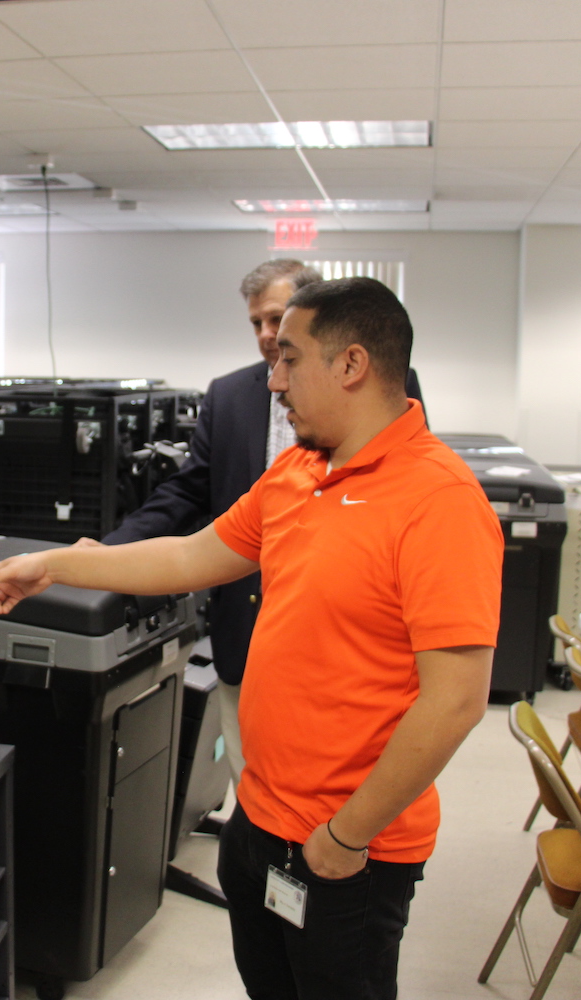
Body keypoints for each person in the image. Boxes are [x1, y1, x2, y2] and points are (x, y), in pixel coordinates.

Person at [0, 277, 501, 1000]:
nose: (274, 382)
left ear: (351, 365)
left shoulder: (439, 501)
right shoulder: (299, 472)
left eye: (290, 360)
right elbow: (189, 554)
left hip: (347, 849)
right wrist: (53, 565)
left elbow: (456, 701)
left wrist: (343, 837)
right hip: (259, 822)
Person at [101, 259, 425, 789]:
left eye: (277, 319)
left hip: (340, 639)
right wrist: (110, 551)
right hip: (245, 625)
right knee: (254, 789)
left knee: (333, 791)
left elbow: (399, 486)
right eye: (256, 323)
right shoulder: (229, 395)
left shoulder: (386, 393)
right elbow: (188, 495)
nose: (267, 335)